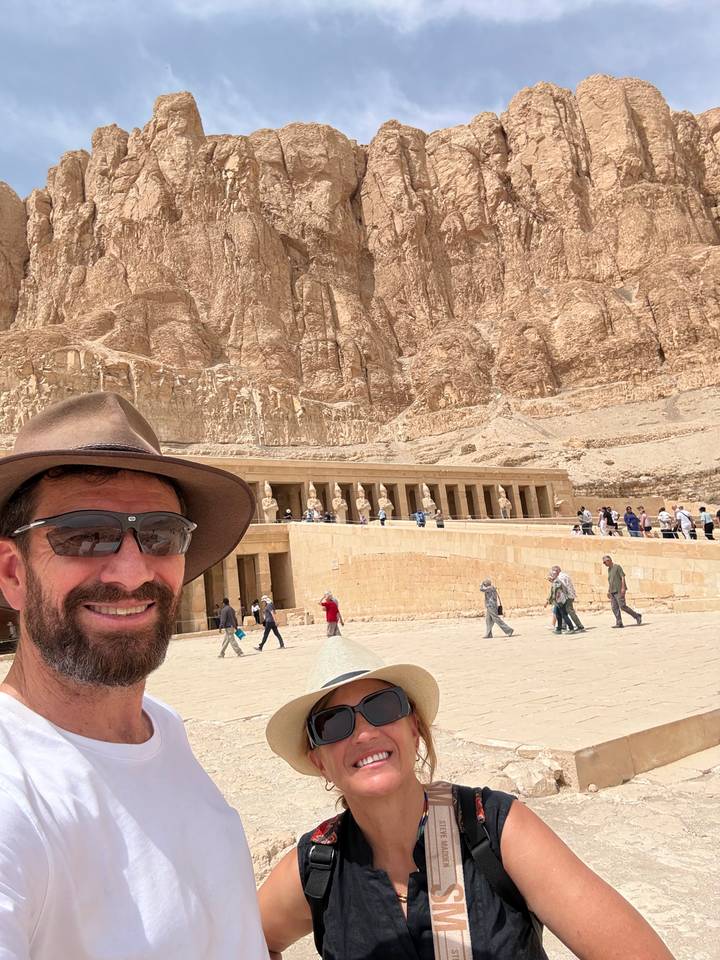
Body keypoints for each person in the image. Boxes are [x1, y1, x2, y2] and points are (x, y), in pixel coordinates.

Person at [0, 392, 268, 958]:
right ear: (13, 574)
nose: (130, 570)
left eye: (161, 534)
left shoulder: (161, 731)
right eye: (83, 534)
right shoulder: (12, 791)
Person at [258, 636, 675, 960]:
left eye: (383, 706)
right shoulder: (318, 866)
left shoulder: (493, 828)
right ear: (319, 762)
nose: (364, 732)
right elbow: (244, 939)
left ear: (414, 728)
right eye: (334, 723)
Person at [602, 555, 642, 628]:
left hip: (619, 590)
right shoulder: (609, 570)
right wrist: (609, 591)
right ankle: (619, 622)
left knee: (622, 606)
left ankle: (637, 616)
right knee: (614, 607)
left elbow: (622, 577)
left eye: (605, 562)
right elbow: (611, 581)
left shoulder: (617, 567)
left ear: (609, 560)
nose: (604, 564)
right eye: (604, 563)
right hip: (612, 591)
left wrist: (623, 588)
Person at [550, 565, 584, 632]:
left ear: (557, 571)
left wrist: (553, 581)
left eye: (554, 572)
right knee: (562, 611)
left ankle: (579, 626)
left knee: (569, 611)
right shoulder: (563, 575)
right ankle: (563, 626)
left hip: (567, 596)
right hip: (569, 595)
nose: (553, 574)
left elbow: (561, 587)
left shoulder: (560, 577)